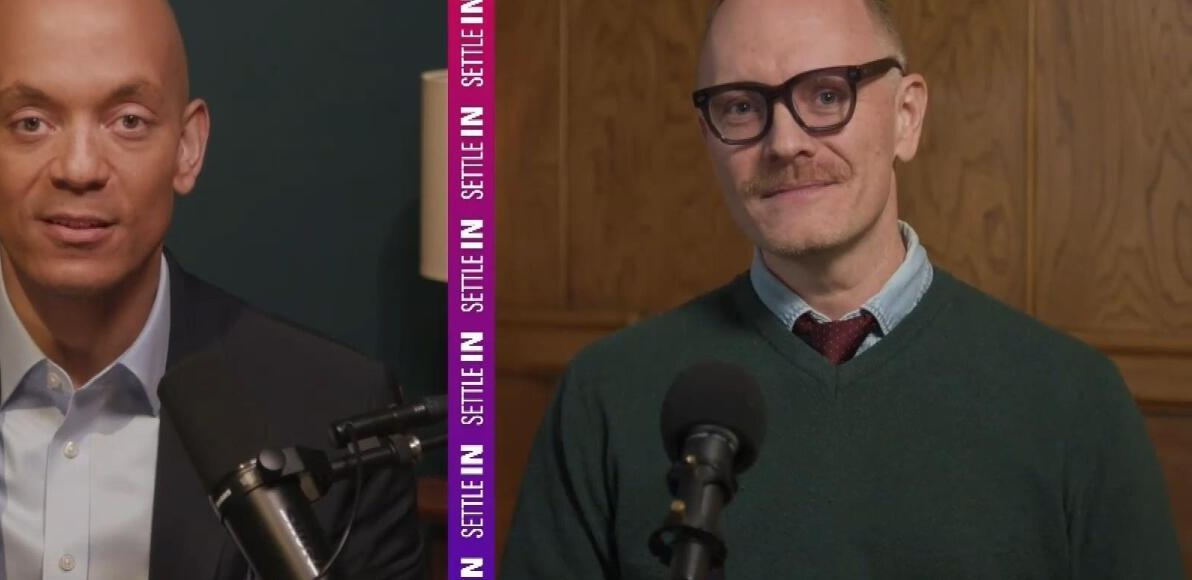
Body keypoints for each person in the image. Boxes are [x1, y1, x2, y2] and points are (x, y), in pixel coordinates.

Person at [501, 0, 1185, 578]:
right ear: (707, 136)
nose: (784, 143)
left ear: (907, 116)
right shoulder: (604, 396)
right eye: (741, 106)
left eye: (827, 95)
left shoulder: (1075, 402)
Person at [0, 0, 425, 578]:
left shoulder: (335, 414)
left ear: (187, 147)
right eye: (31, 122)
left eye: (128, 120)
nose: (79, 168)